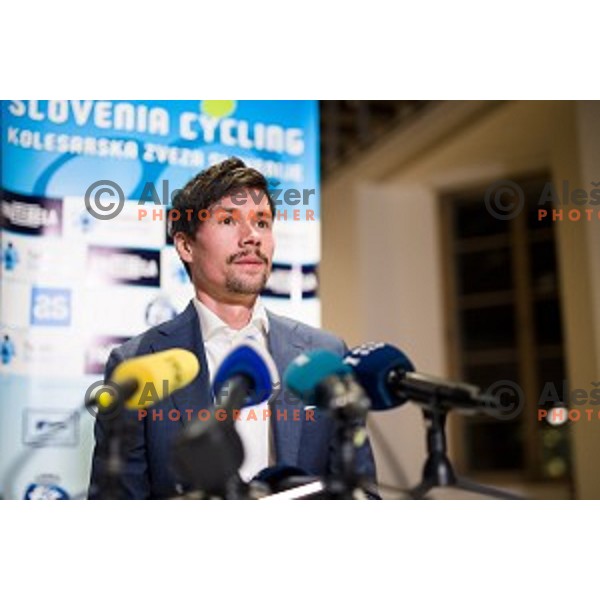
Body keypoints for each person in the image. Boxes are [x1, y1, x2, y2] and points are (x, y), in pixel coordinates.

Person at [88, 157, 376, 499]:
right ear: (186, 245)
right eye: (228, 220)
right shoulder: (134, 364)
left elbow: (363, 495)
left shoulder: (325, 354)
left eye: (262, 222)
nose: (252, 236)